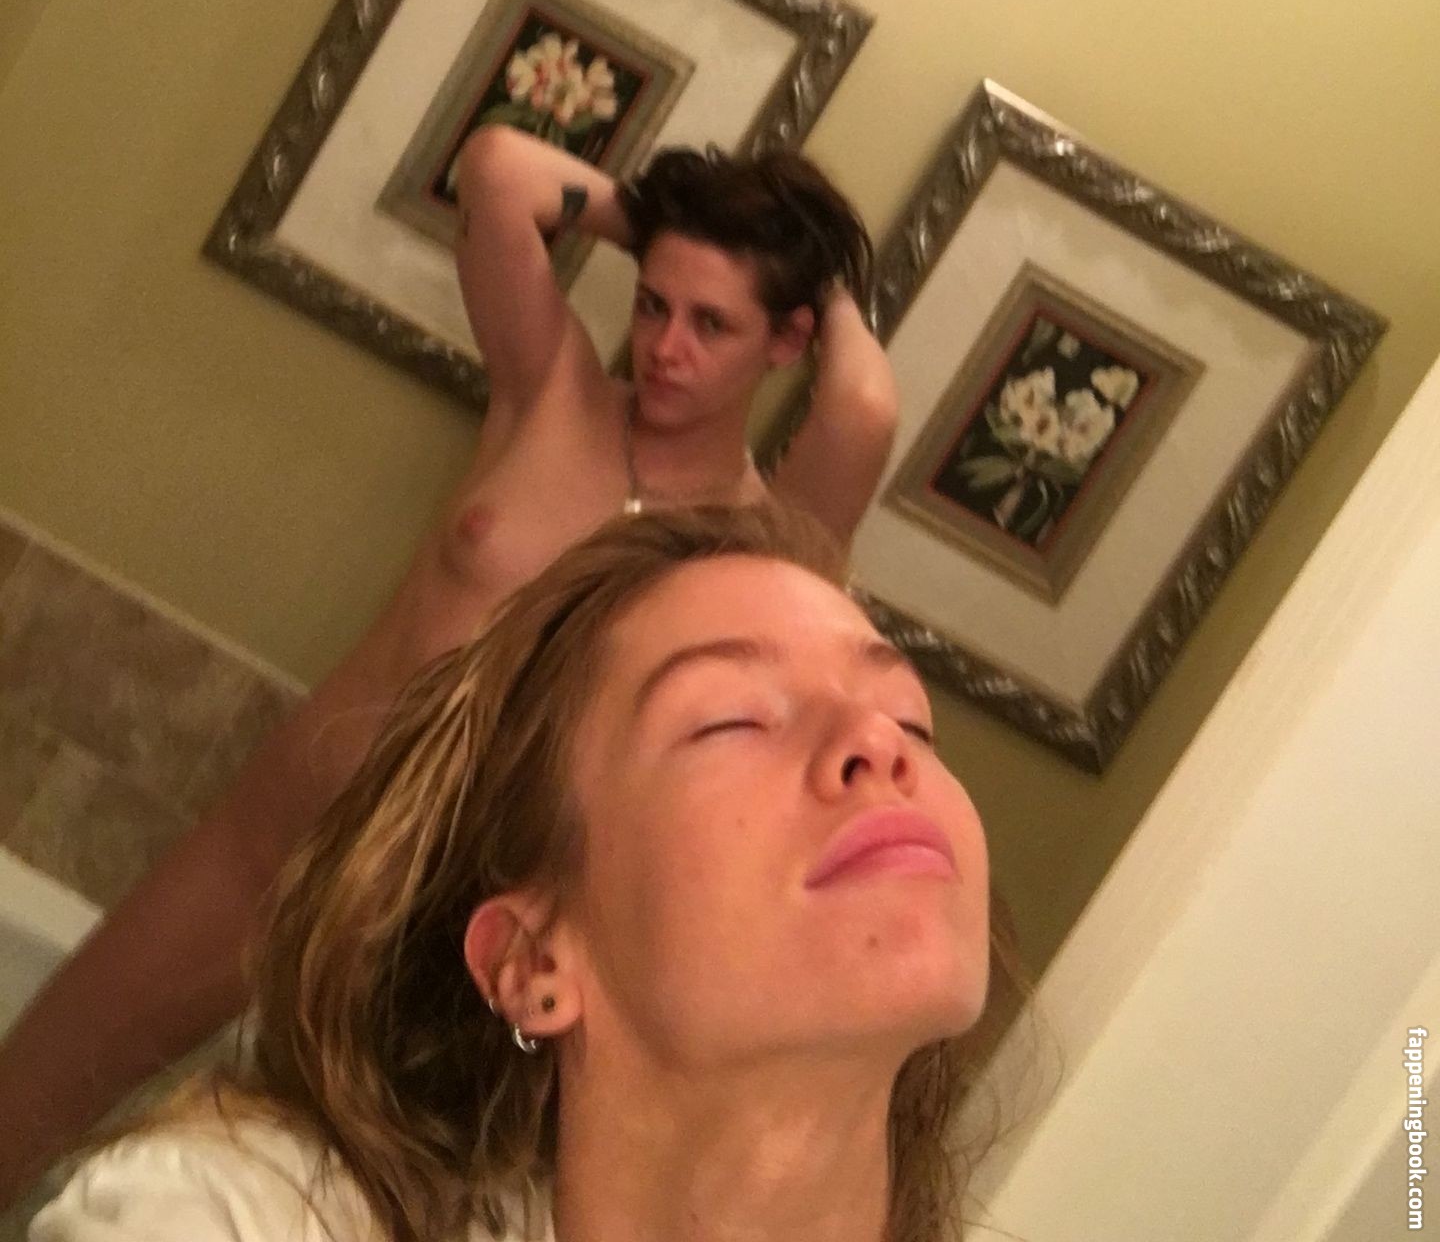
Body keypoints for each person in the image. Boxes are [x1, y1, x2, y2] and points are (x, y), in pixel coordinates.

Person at [0, 127, 901, 1213]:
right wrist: (663, 220)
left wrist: (817, 278)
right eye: (654, 305)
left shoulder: (755, 541)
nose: (666, 347)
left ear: (787, 341)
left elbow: (865, 410)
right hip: (284, 838)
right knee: (35, 1090)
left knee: (290, 1205)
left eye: (713, 325)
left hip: (445, 936)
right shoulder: (554, 390)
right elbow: (500, 173)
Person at [30, 503, 1020, 1242]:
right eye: (731, 718)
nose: (878, 744)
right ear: (532, 961)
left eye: (913, 721)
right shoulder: (237, 1220)